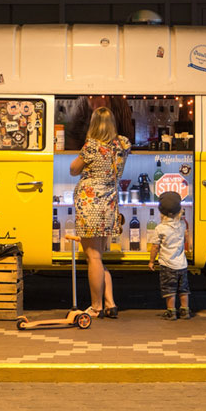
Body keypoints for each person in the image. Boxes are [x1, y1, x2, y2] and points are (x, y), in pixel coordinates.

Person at [70, 107, 131, 318]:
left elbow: (73, 169)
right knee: (99, 257)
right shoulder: (122, 145)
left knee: (93, 256)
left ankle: (96, 307)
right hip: (109, 205)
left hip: (90, 205)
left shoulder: (92, 147)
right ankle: (110, 303)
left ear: (93, 124)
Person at [148, 191, 191, 320]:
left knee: (169, 290)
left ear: (161, 212)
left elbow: (155, 247)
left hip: (167, 265)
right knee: (183, 290)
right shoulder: (182, 225)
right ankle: (185, 310)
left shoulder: (160, 229)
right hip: (182, 265)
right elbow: (186, 239)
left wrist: (151, 261)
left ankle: (171, 311)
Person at [65, 96, 135, 150]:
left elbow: (128, 134)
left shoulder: (119, 102)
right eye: (92, 99)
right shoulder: (82, 103)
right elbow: (72, 136)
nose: (96, 106)